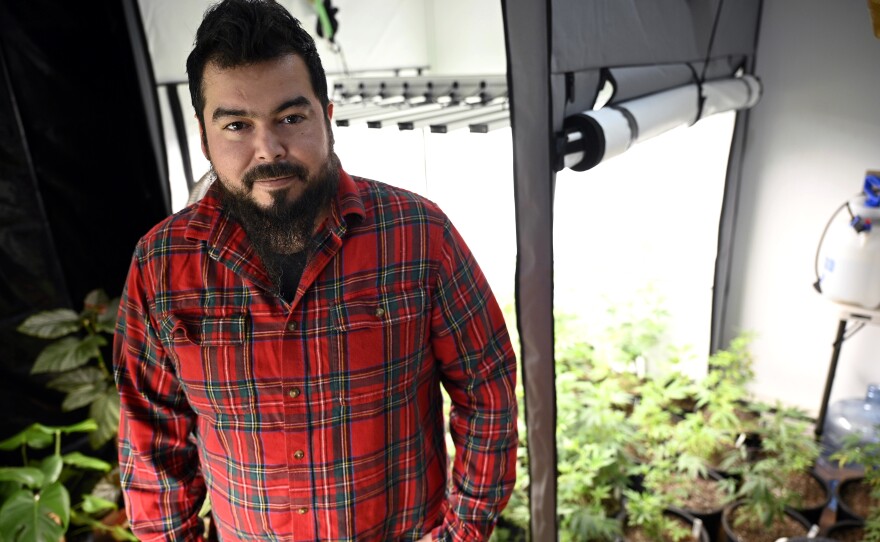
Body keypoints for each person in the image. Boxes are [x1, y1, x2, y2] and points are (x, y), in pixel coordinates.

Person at [111, 0, 518, 540]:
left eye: (291, 117)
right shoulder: (162, 265)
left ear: (327, 117)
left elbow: (486, 388)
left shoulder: (419, 234)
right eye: (237, 124)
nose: (268, 149)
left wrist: (462, 532)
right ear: (204, 136)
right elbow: (150, 439)